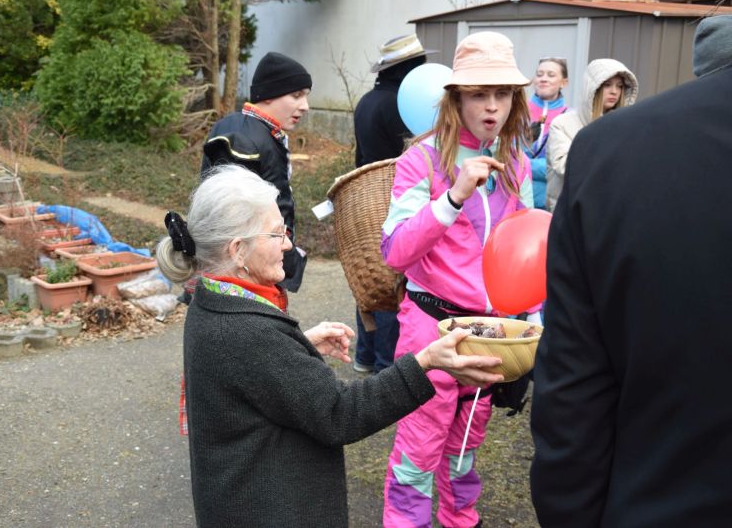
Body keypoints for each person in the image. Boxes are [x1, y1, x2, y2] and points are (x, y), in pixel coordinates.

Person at [157, 164, 507, 527]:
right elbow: (340, 414)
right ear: (238, 251)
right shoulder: (249, 332)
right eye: (277, 234)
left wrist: (297, 344)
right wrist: (426, 362)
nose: (288, 244)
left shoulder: (211, 301)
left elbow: (249, 374)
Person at [530, 16, 732, 527]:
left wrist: (569, 512)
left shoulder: (615, 149)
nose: (615, 92)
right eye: (609, 85)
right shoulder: (585, 138)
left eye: (623, 85)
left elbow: (575, 388)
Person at [380, 31, 540, 528]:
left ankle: (460, 521)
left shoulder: (515, 163)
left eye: (502, 94)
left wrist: (534, 319)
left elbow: (529, 248)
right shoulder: (421, 160)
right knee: (418, 449)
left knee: (466, 448)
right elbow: (395, 251)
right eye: (478, 93)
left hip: (490, 335)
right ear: (455, 97)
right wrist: (452, 196)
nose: (491, 107)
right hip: (431, 332)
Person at [351, 33, 435, 374]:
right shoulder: (398, 105)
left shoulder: (367, 100)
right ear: (409, 70)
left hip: (364, 198)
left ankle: (365, 355)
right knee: (391, 284)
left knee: (368, 280)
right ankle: (387, 368)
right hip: (393, 198)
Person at [200, 51, 312, 293]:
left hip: (259, 262)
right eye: (296, 95)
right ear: (269, 94)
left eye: (306, 97)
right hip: (243, 273)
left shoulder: (261, 132)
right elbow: (231, 216)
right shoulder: (242, 138)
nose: (305, 106)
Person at [545, 58, 637, 211]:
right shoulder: (562, 124)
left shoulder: (625, 126)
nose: (614, 91)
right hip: (569, 212)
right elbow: (564, 167)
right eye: (607, 85)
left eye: (619, 86)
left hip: (608, 212)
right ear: (592, 87)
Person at [525, 56, 569, 210]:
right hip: (518, 197)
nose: (543, 79)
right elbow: (507, 158)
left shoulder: (569, 117)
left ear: (564, 82)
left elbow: (562, 166)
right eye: (539, 74)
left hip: (551, 204)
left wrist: (525, 164)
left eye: (551, 75)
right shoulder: (517, 111)